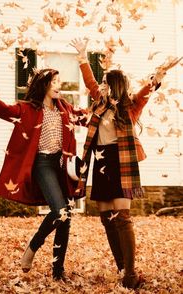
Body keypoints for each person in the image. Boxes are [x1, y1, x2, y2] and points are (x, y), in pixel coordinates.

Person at [70, 38, 182, 289]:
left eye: (105, 82)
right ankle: (122, 269)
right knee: (106, 217)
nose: (100, 85)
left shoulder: (128, 107)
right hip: (99, 162)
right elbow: (89, 82)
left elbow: (145, 91)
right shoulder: (99, 102)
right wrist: (82, 56)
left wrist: (160, 73)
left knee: (123, 216)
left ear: (114, 86)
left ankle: (130, 274)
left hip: (121, 162)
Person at [0, 68, 87, 281]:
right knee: (61, 212)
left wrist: (111, 102)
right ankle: (34, 245)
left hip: (61, 166)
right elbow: (4, 110)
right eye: (54, 82)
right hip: (42, 164)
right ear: (44, 85)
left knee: (65, 217)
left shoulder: (65, 108)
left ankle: (58, 272)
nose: (59, 86)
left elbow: (87, 117)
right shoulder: (28, 109)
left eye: (59, 81)